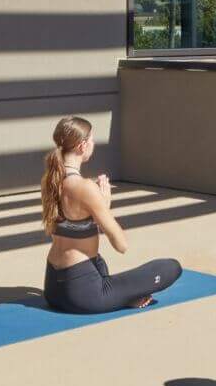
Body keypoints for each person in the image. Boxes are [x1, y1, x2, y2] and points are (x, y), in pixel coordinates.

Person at [41, 116, 182, 314]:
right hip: (82, 295)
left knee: (98, 261)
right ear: (82, 146)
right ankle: (123, 297)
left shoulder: (50, 181)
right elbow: (121, 245)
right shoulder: (85, 187)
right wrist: (104, 205)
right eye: (91, 140)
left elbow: (71, 224)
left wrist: (99, 205)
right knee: (171, 268)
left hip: (53, 289)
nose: (93, 144)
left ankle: (119, 295)